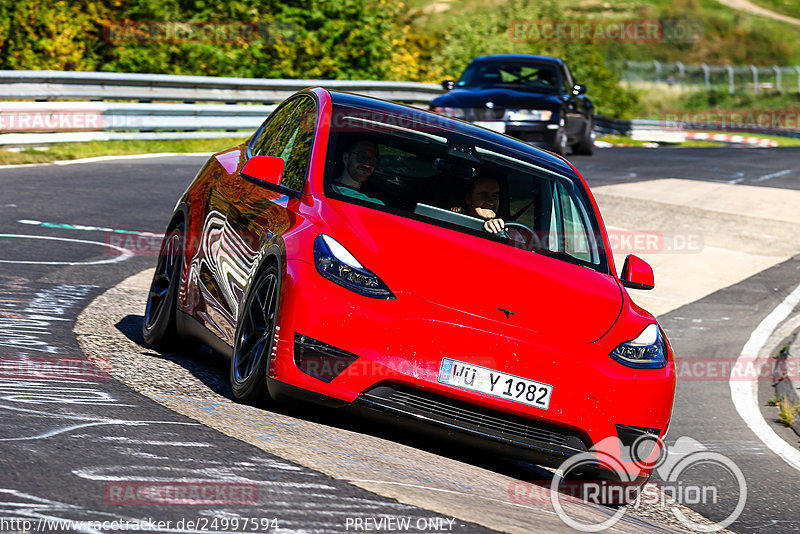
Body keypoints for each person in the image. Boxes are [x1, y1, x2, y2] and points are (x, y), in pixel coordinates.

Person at [331, 137, 384, 205]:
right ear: (345, 158)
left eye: (373, 160)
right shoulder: (326, 189)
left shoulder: (376, 203)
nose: (367, 165)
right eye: (362, 156)